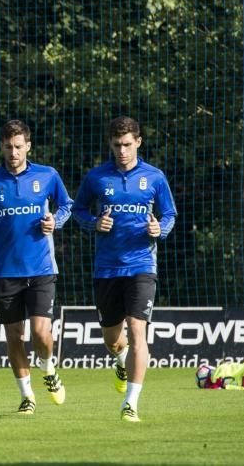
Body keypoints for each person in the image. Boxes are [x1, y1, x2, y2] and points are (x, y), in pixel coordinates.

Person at [0, 120, 73, 415]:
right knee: (14, 337)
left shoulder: (47, 176)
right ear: (2, 146)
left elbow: (66, 206)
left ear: (28, 146)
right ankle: (27, 396)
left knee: (41, 334)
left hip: (41, 268)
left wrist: (55, 221)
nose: (13, 152)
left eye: (19, 146)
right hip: (5, 271)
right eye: (8, 147)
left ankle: (49, 370)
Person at [72, 116, 176, 422]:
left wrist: (161, 229)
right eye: (117, 145)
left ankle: (130, 404)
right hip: (107, 269)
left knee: (136, 330)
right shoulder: (96, 178)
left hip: (142, 264)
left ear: (138, 142)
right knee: (113, 339)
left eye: (127, 144)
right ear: (110, 144)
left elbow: (169, 213)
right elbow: (78, 210)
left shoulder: (154, 177)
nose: (122, 151)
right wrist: (94, 223)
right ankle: (121, 360)